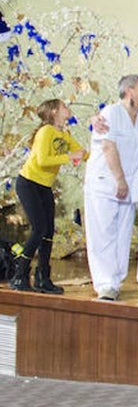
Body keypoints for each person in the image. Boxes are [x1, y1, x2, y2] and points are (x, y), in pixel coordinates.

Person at [84, 75, 138, 301]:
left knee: (122, 235)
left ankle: (116, 281)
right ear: (129, 90)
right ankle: (104, 284)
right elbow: (108, 148)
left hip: (129, 186)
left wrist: (128, 183)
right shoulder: (110, 113)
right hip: (105, 182)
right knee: (102, 234)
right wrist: (120, 180)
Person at [12, 99, 86, 292]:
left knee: (48, 232)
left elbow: (82, 153)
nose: (68, 108)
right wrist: (69, 157)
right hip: (29, 183)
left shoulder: (64, 134)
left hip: (44, 186)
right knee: (39, 229)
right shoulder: (45, 132)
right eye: (63, 106)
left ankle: (43, 278)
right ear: (54, 111)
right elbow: (42, 160)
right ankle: (20, 275)